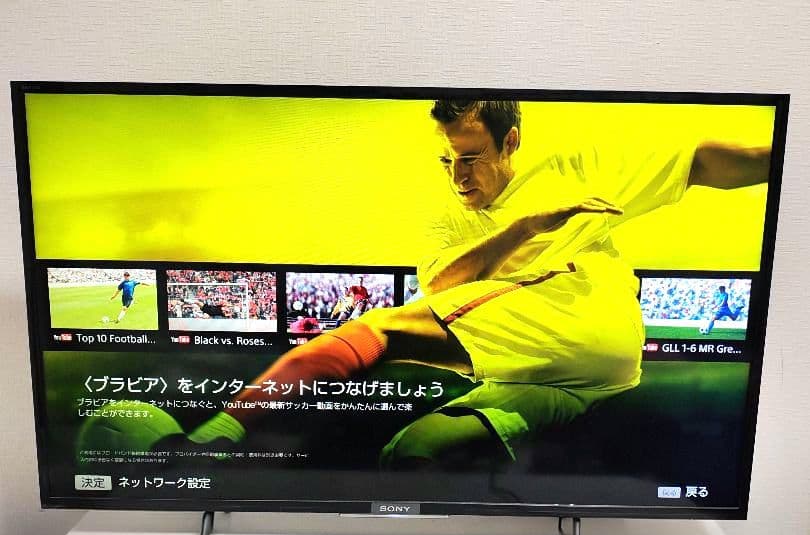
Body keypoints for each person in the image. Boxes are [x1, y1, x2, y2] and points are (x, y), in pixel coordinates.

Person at [183, 99, 770, 467]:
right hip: (576, 378)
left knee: (380, 330)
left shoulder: (573, 169)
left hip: (582, 318)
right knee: (411, 451)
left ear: (510, 141)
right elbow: (442, 286)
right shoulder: (444, 215)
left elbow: (698, 162)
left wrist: (787, 151)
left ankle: (212, 440)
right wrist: (521, 229)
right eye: (447, 161)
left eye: (471, 157)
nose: (458, 176)